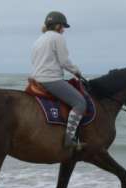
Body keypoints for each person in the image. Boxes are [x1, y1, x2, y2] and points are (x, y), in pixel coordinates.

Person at [31, 11, 87, 149]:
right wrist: (77, 72)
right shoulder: (57, 38)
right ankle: (69, 139)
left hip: (36, 79)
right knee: (80, 103)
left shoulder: (39, 39)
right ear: (57, 26)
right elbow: (64, 61)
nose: (63, 30)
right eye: (62, 27)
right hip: (51, 80)